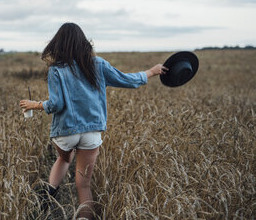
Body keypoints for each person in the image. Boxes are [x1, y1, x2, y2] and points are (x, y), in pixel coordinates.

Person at [19, 22, 167, 219]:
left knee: (64, 159)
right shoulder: (97, 64)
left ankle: (46, 199)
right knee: (84, 184)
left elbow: (56, 104)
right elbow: (128, 80)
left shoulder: (56, 69)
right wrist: (152, 71)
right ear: (83, 42)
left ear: (58, 44)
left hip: (66, 131)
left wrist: (35, 104)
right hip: (91, 132)